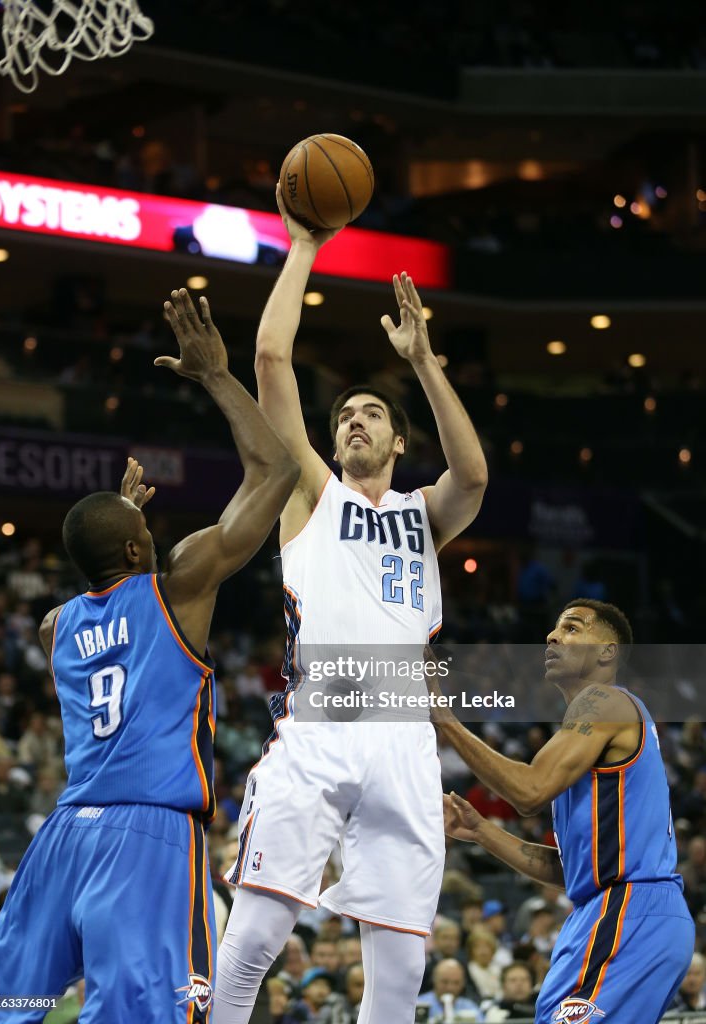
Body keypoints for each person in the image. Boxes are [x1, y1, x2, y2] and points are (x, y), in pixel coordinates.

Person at [0, 288, 299, 1023]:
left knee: (10, 999)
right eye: (140, 535)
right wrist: (216, 374)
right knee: (140, 1012)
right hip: (146, 834)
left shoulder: (54, 627)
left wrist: (122, 529)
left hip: (63, 835)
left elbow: (102, 588)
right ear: (136, 547)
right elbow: (275, 475)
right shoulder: (178, 584)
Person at [213, 186, 488, 1024]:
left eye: (372, 414)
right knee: (258, 932)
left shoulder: (421, 513)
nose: (355, 421)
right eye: (345, 417)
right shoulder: (310, 495)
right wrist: (302, 246)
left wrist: (421, 361)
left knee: (400, 971)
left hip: (405, 742)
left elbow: (473, 476)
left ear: (399, 442)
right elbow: (268, 363)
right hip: (323, 728)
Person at [439, 599, 694, 1024]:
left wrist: (445, 720)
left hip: (630, 909)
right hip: (613, 910)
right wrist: (482, 830)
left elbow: (529, 791)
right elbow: (568, 872)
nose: (553, 636)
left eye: (573, 628)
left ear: (607, 652)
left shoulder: (605, 701)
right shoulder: (588, 736)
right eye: (556, 629)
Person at [416, 959, 482, 1022]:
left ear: (463, 984)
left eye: (456, 983)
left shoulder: (470, 1008)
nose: (450, 988)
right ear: (434, 980)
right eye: (445, 982)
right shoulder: (418, 1005)